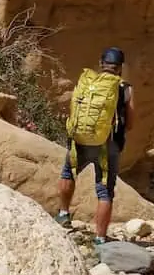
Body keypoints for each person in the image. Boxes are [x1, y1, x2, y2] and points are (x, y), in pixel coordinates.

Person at [56, 47, 132, 240]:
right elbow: (130, 122)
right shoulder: (124, 88)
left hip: (80, 139)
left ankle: (63, 214)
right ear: (120, 68)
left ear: (101, 64)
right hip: (107, 145)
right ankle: (100, 238)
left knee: (68, 173)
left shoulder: (88, 82)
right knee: (104, 190)